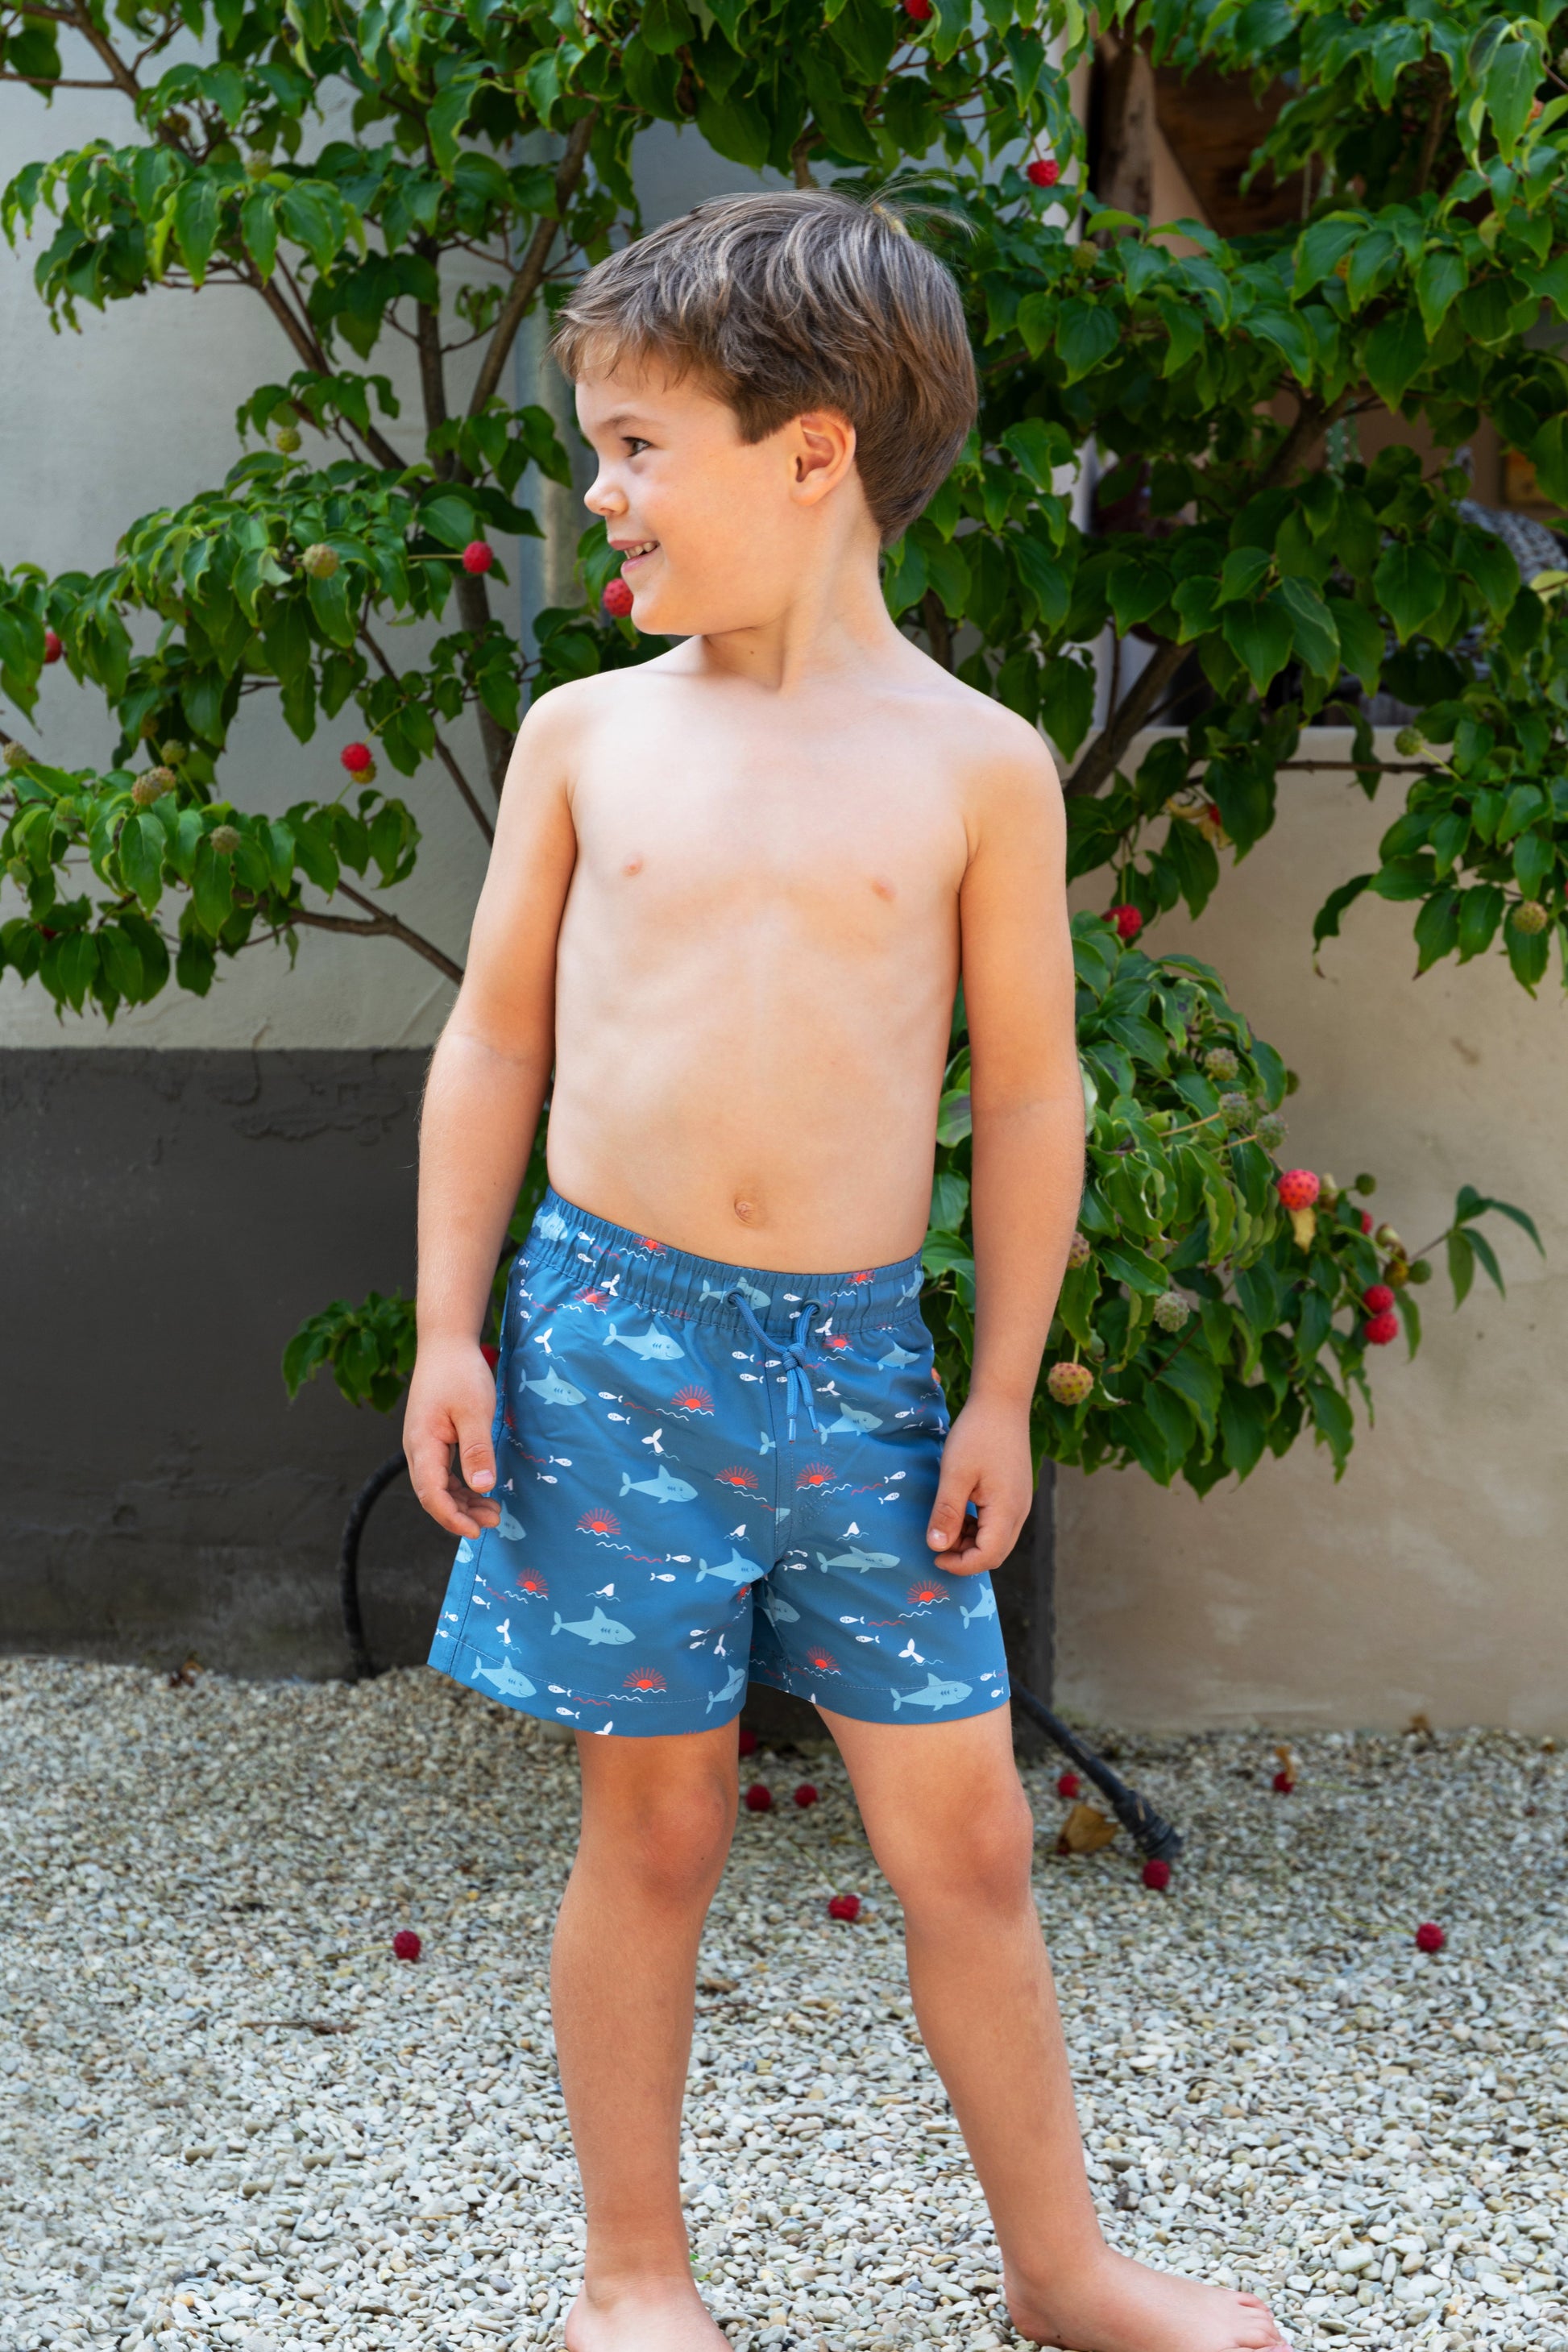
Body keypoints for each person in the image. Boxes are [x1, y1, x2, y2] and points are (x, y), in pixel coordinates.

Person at [406, 191, 1288, 2352]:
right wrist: (446, 1326)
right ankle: (633, 2278)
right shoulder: (590, 736)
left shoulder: (977, 766)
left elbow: (1036, 1093)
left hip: (867, 1377)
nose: (601, 495)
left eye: (637, 447)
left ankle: (1061, 2271)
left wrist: (997, 1391)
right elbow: (495, 1038)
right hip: (615, 1349)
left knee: (966, 1839)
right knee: (658, 1829)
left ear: (810, 453)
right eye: (597, 450)